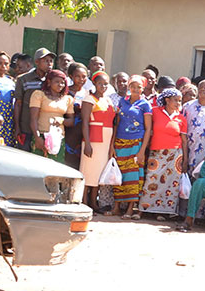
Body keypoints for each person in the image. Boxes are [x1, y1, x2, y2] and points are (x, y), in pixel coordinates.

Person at [139, 88, 188, 221]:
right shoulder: (155, 111)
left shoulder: (181, 118)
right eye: (176, 100)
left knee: (170, 183)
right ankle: (142, 210)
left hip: (175, 154)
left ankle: (162, 211)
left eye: (180, 101)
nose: (178, 103)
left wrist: (185, 160)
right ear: (167, 100)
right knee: (151, 179)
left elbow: (184, 140)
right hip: (157, 152)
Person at [112, 75, 152, 219]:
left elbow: (148, 129)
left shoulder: (145, 105)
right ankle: (116, 207)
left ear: (143, 88)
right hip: (120, 143)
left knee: (133, 176)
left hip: (136, 143)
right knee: (119, 175)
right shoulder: (122, 102)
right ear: (129, 87)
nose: (135, 89)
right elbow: (116, 123)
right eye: (133, 86)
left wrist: (142, 151)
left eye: (139, 87)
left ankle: (130, 208)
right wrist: (112, 145)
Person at [79, 71, 117, 212]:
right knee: (88, 171)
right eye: (100, 83)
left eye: (106, 84)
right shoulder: (89, 99)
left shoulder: (108, 100)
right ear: (94, 83)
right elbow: (85, 122)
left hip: (106, 141)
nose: (103, 86)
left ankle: (94, 203)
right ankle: (84, 201)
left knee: (98, 174)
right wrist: (87, 143)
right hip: (94, 139)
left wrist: (111, 145)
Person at [28, 68, 74, 163]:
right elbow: (33, 118)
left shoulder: (68, 99)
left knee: (55, 169)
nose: (60, 85)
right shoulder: (39, 95)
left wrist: (62, 120)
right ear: (49, 82)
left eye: (62, 83)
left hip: (57, 138)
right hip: (41, 135)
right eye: (57, 82)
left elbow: (71, 121)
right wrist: (37, 138)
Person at [14, 47, 53, 150]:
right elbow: (18, 104)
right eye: (45, 61)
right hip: (26, 128)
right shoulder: (24, 79)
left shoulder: (53, 81)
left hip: (45, 130)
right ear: (37, 62)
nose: (49, 64)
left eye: (51, 61)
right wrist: (17, 126)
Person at [0, 52, 14, 146]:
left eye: (6, 64)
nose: (3, 66)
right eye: (0, 63)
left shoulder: (11, 82)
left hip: (7, 118)